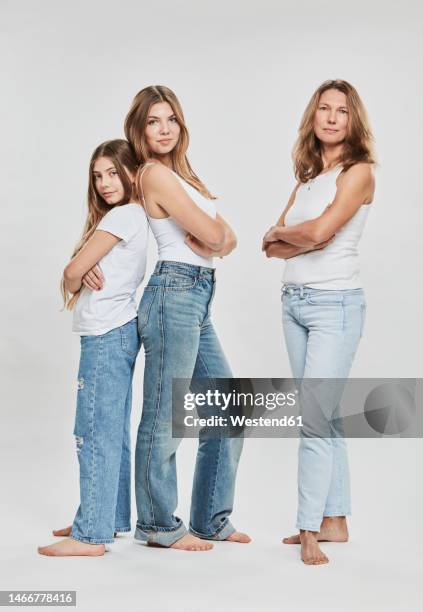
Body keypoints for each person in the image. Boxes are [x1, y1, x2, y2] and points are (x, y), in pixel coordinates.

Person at [124, 85, 250, 551]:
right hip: (172, 295)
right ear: (139, 130)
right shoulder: (154, 174)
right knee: (164, 416)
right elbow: (216, 233)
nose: (164, 128)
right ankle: (157, 524)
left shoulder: (182, 177)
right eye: (154, 121)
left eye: (171, 119)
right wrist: (218, 237)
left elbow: (227, 237)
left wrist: (219, 238)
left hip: (197, 296)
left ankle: (210, 519)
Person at [262, 79, 375, 565]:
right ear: (313, 117)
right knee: (323, 416)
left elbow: (324, 231)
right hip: (294, 302)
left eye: (342, 111)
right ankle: (336, 520)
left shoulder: (360, 173)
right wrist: (294, 236)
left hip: (335, 305)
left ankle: (308, 527)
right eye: (324, 109)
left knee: (312, 419)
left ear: (354, 121)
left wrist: (291, 233)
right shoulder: (307, 179)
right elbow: (270, 247)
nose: (331, 117)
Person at [38, 140, 149, 556]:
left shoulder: (123, 215)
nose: (104, 183)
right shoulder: (128, 217)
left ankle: (91, 533)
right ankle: (109, 516)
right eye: (97, 175)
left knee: (93, 431)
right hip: (115, 331)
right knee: (112, 430)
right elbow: (73, 278)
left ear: (130, 172)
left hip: (106, 333)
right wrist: (79, 275)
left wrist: (77, 272)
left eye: (112, 173)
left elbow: (69, 272)